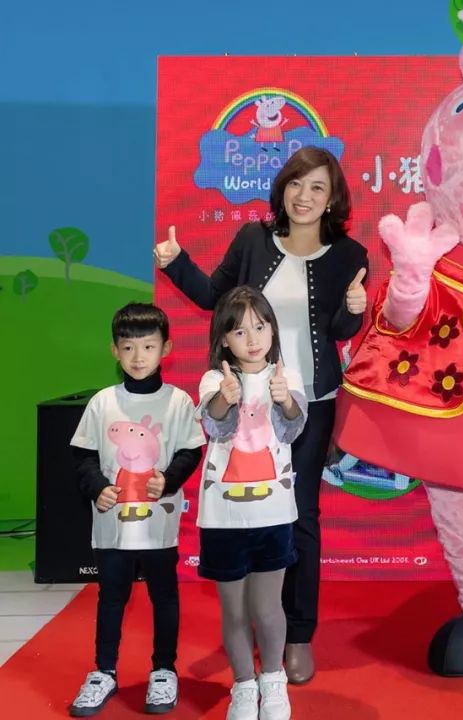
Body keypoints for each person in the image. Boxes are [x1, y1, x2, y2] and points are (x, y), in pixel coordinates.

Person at [155, 146, 368, 683]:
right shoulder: (253, 239)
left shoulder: (350, 254)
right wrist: (175, 263)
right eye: (296, 183)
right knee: (249, 511)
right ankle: (252, 625)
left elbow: (340, 332)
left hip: (309, 403)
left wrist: (355, 310)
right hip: (245, 403)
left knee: (301, 517)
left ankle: (297, 635)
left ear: (332, 199)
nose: (304, 196)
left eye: (317, 187)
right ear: (282, 189)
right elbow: (214, 297)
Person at [68, 303, 205, 716]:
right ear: (115, 351)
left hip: (158, 526)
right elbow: (83, 455)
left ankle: (164, 669)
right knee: (112, 596)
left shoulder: (178, 402)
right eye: (128, 348)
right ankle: (103, 670)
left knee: (164, 595)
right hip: (111, 528)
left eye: (148, 346)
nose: (138, 357)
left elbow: (191, 449)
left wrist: (171, 478)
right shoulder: (102, 403)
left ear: (166, 349)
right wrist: (97, 488)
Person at [197, 286, 307, 720]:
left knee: (266, 606)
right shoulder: (213, 380)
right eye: (240, 331)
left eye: (260, 327)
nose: (252, 338)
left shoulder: (286, 376)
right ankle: (243, 685)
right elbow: (215, 427)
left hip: (274, 514)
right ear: (225, 340)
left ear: (273, 330)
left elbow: (293, 429)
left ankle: (273, 680)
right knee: (234, 608)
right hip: (222, 517)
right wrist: (225, 397)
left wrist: (286, 400)